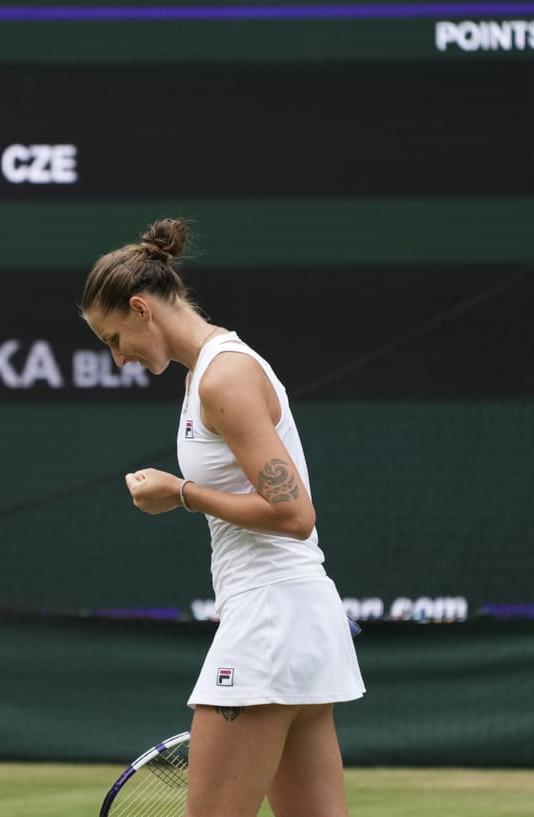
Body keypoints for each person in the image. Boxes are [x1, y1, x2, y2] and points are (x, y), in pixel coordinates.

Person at [80, 217, 365, 817]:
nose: (118, 357)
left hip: (270, 621)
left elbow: (294, 515)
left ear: (141, 309)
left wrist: (181, 492)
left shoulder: (224, 376)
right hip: (297, 620)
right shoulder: (205, 377)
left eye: (113, 338)